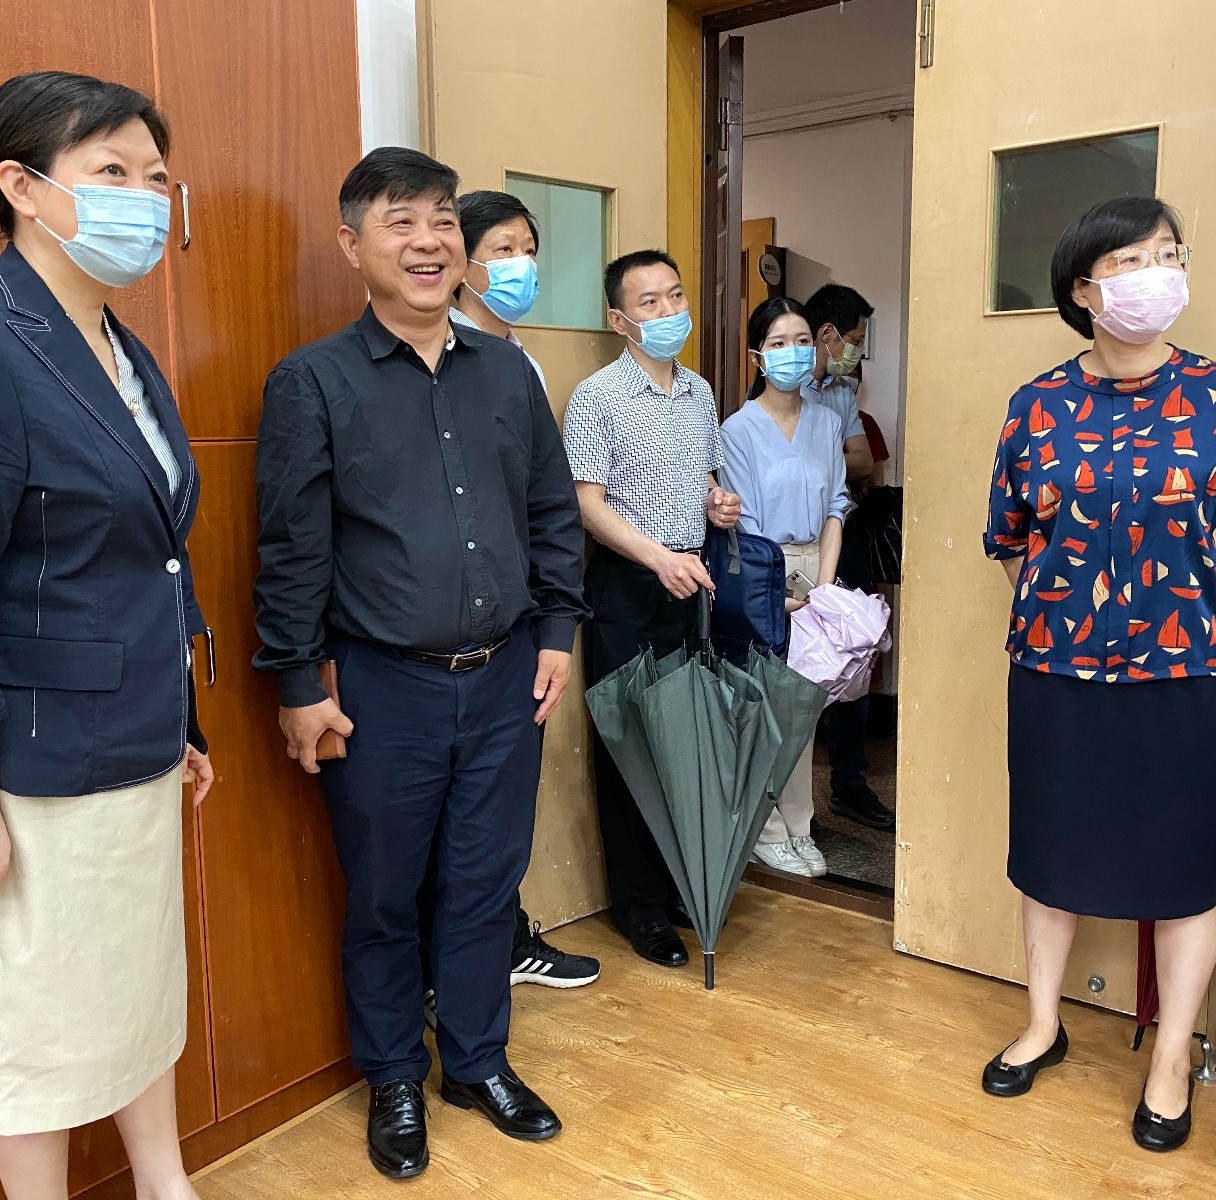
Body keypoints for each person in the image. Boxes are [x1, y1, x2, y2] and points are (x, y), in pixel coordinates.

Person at [0, 72, 213, 1200]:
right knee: (28, 1014)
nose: (144, 199)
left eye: (156, 177)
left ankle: (165, 1184)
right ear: (21, 186)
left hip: (132, 739)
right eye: (111, 172)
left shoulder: (120, 348)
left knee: (133, 986)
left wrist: (180, 722)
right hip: (20, 765)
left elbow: (148, 558)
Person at [252, 147, 586, 1180]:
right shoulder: (313, 381)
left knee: (486, 883)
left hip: (505, 676)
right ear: (353, 246)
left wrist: (559, 634)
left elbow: (550, 511)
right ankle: (395, 1072)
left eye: (442, 220)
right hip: (379, 686)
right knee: (386, 895)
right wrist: (297, 684)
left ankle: (476, 1062)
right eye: (400, 222)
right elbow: (291, 548)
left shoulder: (507, 374)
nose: (429, 241)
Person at [980, 196, 1216, 1151]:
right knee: (1050, 861)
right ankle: (1043, 1025)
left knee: (1182, 875)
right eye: (1130, 261)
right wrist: (1068, 610)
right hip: (1057, 674)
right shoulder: (1037, 404)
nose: (1156, 273)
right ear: (1084, 290)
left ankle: (1170, 1062)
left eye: (1168, 254)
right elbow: (1011, 537)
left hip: (1183, 681)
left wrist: (1192, 620)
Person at [421, 187, 598, 994]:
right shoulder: (437, 355)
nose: (521, 265)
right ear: (461, 264)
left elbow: (544, 499)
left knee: (498, 810)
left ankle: (505, 939)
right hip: (447, 626)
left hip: (516, 615)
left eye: (529, 249)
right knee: (449, 815)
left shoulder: (518, 360)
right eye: (503, 250)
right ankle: (453, 966)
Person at [562, 249, 742, 968]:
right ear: (619, 320)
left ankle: (675, 885)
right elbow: (586, 504)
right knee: (628, 744)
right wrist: (657, 557)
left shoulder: (699, 392)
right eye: (649, 303)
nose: (669, 312)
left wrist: (716, 504)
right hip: (628, 584)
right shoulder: (596, 397)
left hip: (690, 578)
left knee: (683, 741)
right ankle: (638, 907)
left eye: (675, 296)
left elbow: (701, 477)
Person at [718, 297, 851, 878]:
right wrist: (777, 591)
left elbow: (837, 505)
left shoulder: (827, 422)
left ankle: (799, 824)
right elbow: (743, 522)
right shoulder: (737, 429)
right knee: (764, 704)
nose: (793, 353)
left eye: (801, 341)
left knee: (804, 706)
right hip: (761, 569)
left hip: (817, 568)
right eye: (778, 343)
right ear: (758, 356)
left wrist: (824, 586)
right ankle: (765, 831)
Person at [802, 283, 895, 832]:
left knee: (854, 655)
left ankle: (849, 783)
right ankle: (790, 803)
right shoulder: (778, 390)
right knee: (799, 661)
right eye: (855, 338)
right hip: (795, 541)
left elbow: (861, 463)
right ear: (827, 333)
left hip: (847, 532)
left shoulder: (841, 390)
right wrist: (826, 457)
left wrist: (817, 456)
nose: (857, 350)